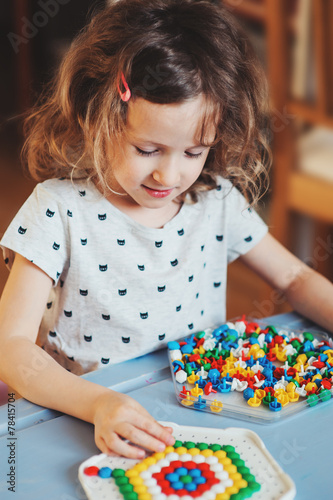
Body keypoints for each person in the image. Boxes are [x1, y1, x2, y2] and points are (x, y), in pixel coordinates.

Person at [0, 0, 332, 459]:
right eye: (148, 148)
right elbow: (11, 346)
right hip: (90, 421)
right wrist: (96, 402)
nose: (169, 176)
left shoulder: (215, 200)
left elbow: (294, 278)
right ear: (98, 114)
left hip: (206, 422)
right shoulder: (57, 211)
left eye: (194, 152)